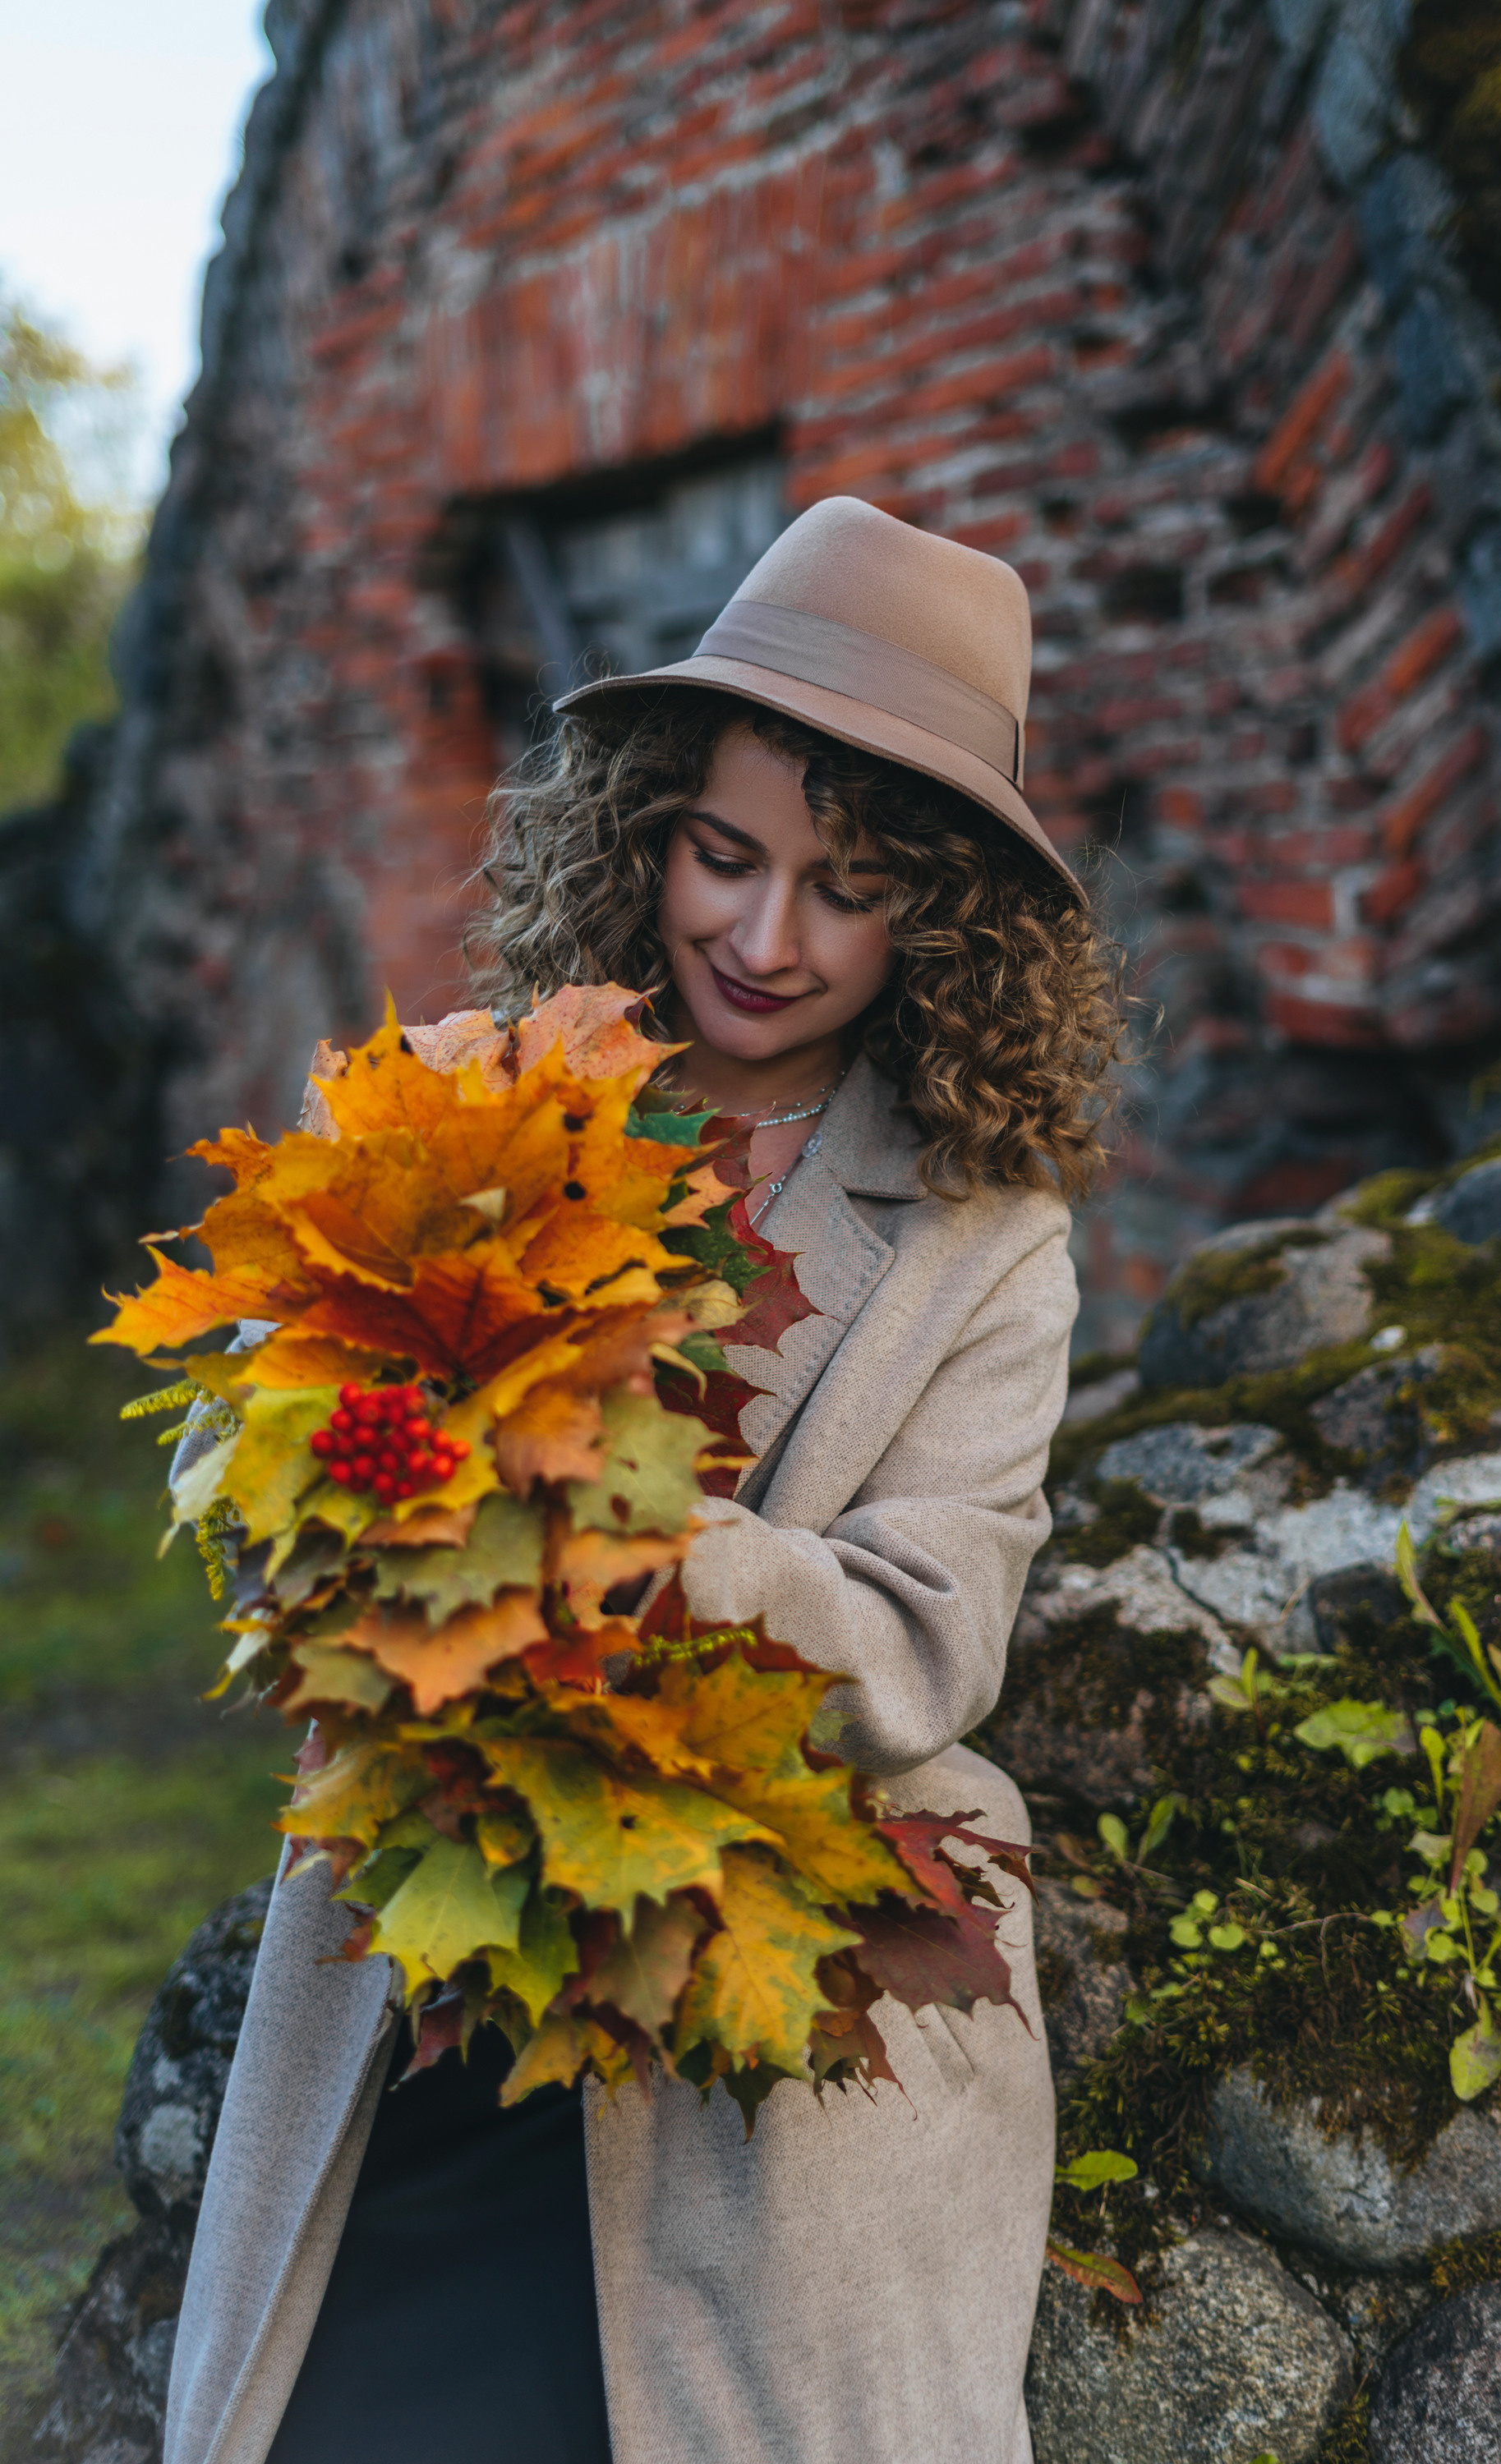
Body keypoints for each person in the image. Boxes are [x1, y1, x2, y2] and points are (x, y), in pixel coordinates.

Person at [163, 496, 1118, 2464]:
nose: (765, 941)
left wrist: (602, 1526)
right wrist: (366, 1496)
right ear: (644, 825)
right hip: (430, 1977)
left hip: (756, 2043)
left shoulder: (983, 1241)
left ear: (939, 914)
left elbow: (924, 1642)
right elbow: (242, 1454)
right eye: (722, 854)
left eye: (846, 889)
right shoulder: (480, 1087)